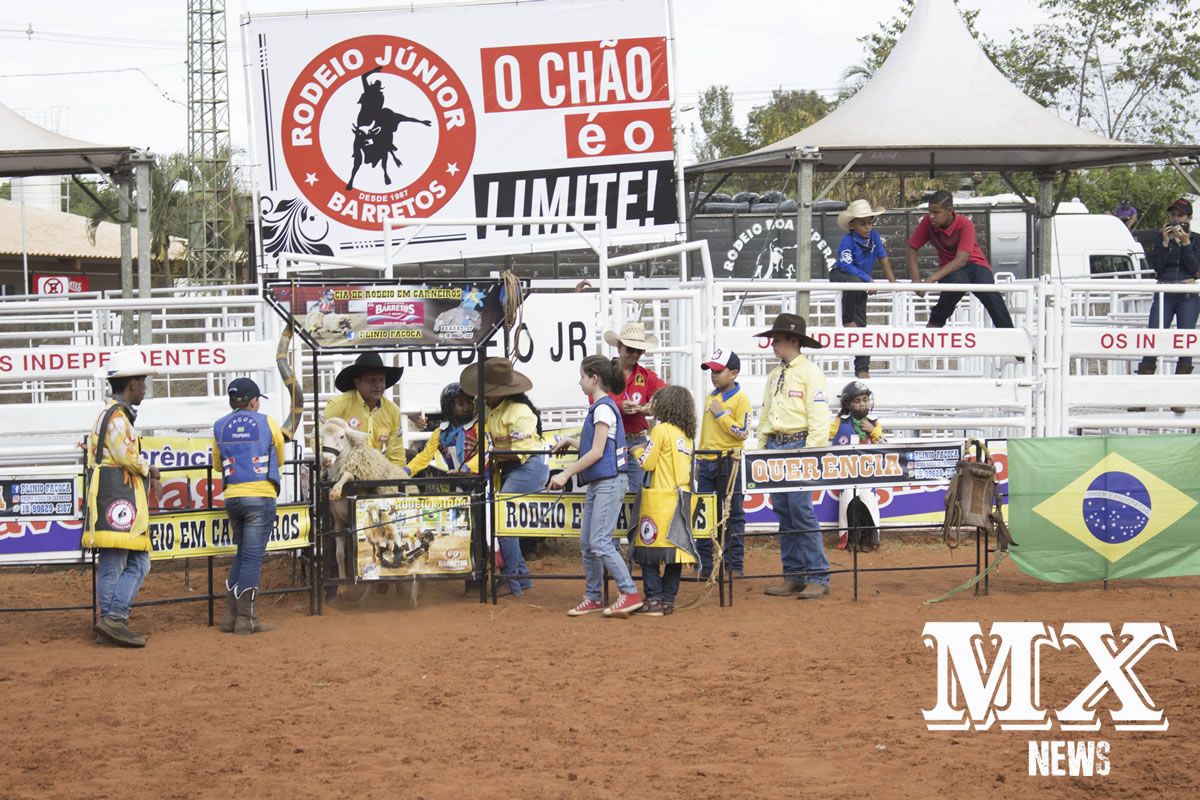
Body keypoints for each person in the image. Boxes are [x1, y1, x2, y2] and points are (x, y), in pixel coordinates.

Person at [549, 355, 644, 618]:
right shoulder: (603, 407)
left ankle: (629, 592)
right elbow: (598, 448)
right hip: (602, 482)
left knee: (599, 542)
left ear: (594, 378)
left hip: (608, 482)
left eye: (582, 376)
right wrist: (571, 441)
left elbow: (597, 452)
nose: (580, 382)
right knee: (589, 542)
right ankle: (593, 596)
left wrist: (566, 473)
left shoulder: (602, 409)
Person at [83, 351, 162, 647]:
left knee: (120, 562)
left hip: (111, 496)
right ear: (132, 384)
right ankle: (114, 619)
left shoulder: (111, 414)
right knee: (125, 562)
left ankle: (111, 620)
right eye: (142, 382)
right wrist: (150, 469)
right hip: (118, 497)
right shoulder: (117, 417)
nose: (144, 388)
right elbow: (127, 457)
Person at [756, 313, 833, 600]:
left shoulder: (810, 373)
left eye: (777, 339)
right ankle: (795, 574)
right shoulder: (776, 375)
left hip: (798, 445)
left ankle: (816, 575)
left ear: (792, 340)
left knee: (799, 510)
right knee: (785, 511)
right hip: (778, 445)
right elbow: (766, 412)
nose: (773, 344)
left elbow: (819, 414)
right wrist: (761, 448)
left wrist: (811, 451)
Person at [323, 352, 406, 600]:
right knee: (332, 527)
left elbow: (396, 452)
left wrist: (394, 479)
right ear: (357, 382)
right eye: (372, 380)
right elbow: (325, 438)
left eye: (381, 380)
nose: (378, 385)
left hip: (374, 477)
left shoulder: (391, 411)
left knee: (388, 523)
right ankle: (333, 583)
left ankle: (387, 576)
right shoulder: (339, 405)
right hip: (340, 475)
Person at [461, 358, 547, 596]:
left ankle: (512, 578)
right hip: (513, 467)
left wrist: (489, 453)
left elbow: (520, 453)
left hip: (527, 467)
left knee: (504, 519)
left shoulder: (519, 412)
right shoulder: (493, 409)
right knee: (506, 520)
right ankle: (520, 577)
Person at [213, 377, 285, 635]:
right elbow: (280, 456)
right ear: (254, 401)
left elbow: (218, 465)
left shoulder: (219, 425)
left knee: (242, 554)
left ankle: (230, 617)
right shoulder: (268, 422)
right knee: (252, 558)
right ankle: (246, 619)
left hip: (233, 496)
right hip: (260, 496)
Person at [632, 385, 701, 617]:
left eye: (656, 401)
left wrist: (636, 451)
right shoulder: (687, 435)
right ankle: (668, 600)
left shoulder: (660, 429)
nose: (653, 404)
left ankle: (653, 599)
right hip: (682, 499)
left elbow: (647, 463)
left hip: (659, 501)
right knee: (675, 553)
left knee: (647, 552)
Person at [906, 190, 1015, 330]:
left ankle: (1009, 332)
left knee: (988, 289)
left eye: (936, 212)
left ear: (949, 211)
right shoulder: (927, 222)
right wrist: (916, 280)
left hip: (974, 264)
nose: (931, 216)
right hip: (949, 269)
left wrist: (930, 279)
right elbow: (912, 248)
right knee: (958, 280)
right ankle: (934, 324)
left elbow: (961, 260)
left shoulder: (965, 224)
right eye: (929, 212)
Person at [603, 322, 667, 530]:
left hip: (635, 440)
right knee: (610, 494)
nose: (634, 355)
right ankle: (612, 544)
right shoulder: (606, 373)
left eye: (638, 351)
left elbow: (667, 397)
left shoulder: (647, 376)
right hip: (612, 441)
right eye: (630, 349)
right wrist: (620, 406)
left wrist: (652, 407)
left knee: (641, 494)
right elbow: (595, 401)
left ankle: (637, 540)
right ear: (619, 348)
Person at [695, 348, 751, 579]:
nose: (714, 375)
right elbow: (705, 431)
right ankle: (706, 565)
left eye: (718, 371)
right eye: (712, 371)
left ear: (733, 373)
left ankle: (733, 564)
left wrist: (721, 415)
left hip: (730, 462)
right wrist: (699, 459)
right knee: (704, 513)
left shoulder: (741, 399)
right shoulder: (711, 395)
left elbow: (743, 432)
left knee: (734, 514)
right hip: (708, 460)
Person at [1135, 198, 1199, 390]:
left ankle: (1179, 394)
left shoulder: (1196, 239)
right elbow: (1157, 267)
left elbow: (1194, 269)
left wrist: (1186, 243)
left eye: (1180, 215)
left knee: (1185, 343)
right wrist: (1164, 242)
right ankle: (1143, 391)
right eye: (1173, 215)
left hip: (1187, 293)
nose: (1176, 219)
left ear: (1189, 218)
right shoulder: (1160, 237)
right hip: (1164, 291)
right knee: (1153, 338)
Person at [833, 199, 897, 379]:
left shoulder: (874, 236)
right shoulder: (847, 241)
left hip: (861, 281)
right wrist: (868, 279)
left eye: (870, 222)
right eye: (863, 223)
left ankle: (862, 369)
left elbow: (882, 256)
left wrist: (892, 281)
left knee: (862, 324)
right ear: (852, 225)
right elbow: (846, 266)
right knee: (853, 282)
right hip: (842, 274)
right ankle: (847, 319)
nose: (868, 227)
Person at [829, 380, 883, 552]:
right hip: (847, 473)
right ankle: (851, 539)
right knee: (849, 505)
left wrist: (873, 431)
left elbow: (883, 444)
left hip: (868, 474)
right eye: (857, 401)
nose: (862, 404)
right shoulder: (840, 422)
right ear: (848, 404)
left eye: (865, 400)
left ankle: (869, 539)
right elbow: (827, 436)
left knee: (868, 504)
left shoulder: (874, 422)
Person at [403, 382, 482, 477]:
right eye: (461, 404)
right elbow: (424, 457)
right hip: (456, 480)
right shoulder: (441, 432)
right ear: (449, 408)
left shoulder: (479, 427)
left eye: (469, 402)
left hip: (479, 480)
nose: (467, 407)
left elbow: (486, 453)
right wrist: (407, 470)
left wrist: (467, 468)